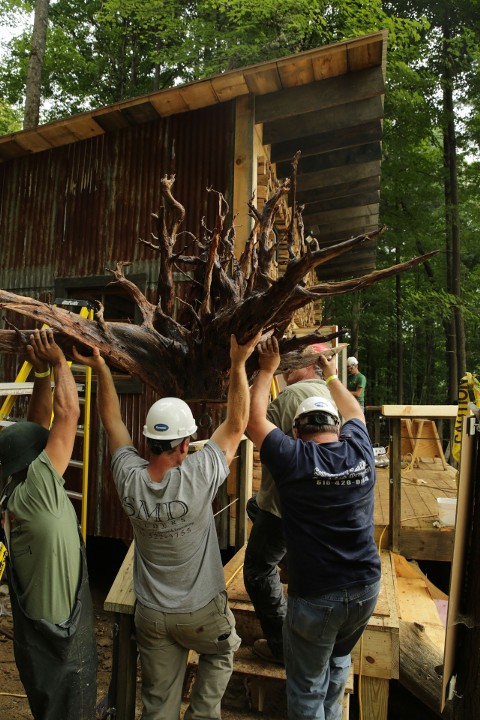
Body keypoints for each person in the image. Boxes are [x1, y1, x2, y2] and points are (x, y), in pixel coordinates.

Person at [73, 332, 260, 720]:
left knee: (157, 705)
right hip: (201, 613)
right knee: (224, 649)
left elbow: (112, 423)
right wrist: (240, 362)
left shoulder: (129, 478)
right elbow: (237, 422)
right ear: (182, 445)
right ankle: (202, 715)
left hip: (153, 616)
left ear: (147, 442)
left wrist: (101, 368)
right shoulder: (198, 475)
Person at [247, 337, 381, 720]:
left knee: (306, 689)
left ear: (295, 430)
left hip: (318, 595)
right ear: (338, 428)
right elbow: (356, 412)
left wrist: (266, 369)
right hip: (366, 588)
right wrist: (333, 377)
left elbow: (254, 421)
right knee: (339, 659)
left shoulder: (295, 460)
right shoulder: (360, 452)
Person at [0, 328, 97, 720]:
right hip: (61, 645)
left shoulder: (15, 486)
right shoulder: (39, 491)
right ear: (34, 463)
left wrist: (41, 377)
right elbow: (68, 414)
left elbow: (37, 424)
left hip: (36, 640)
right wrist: (60, 362)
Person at [244, 343, 335, 665]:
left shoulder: (291, 397)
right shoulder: (336, 393)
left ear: (311, 365)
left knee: (257, 571)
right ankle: (289, 559)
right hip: (323, 505)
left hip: (286, 505)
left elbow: (251, 424)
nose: (288, 364)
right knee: (253, 505)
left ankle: (283, 648)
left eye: (295, 359)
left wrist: (261, 370)